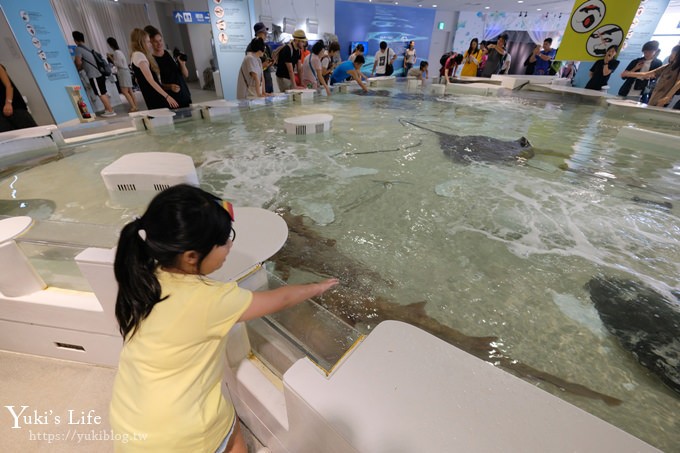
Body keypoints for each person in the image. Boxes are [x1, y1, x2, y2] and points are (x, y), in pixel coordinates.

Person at [109, 184, 338, 452]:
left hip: (130, 420)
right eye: (223, 240)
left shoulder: (145, 277)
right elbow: (282, 299)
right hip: (182, 432)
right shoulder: (211, 300)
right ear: (191, 256)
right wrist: (317, 288)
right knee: (229, 432)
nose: (230, 245)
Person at [128, 28, 179, 110]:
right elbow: (150, 80)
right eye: (148, 42)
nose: (150, 44)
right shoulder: (139, 55)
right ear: (141, 42)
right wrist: (167, 96)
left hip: (151, 94)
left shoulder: (135, 55)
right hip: (155, 95)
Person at [144, 26, 192, 108]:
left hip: (184, 95)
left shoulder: (171, 54)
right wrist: (170, 86)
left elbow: (186, 74)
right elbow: (155, 83)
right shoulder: (151, 61)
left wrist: (182, 64)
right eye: (155, 42)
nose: (159, 44)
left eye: (160, 40)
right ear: (150, 43)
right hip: (170, 100)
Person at [72, 31, 116, 117]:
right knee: (103, 92)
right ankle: (108, 109)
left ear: (75, 40)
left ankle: (110, 111)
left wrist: (77, 68)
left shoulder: (78, 49)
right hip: (100, 73)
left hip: (94, 75)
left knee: (100, 93)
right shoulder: (88, 48)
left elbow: (78, 62)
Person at [0, 64, 37, 132]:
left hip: (14, 106)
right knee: (8, 136)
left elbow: (9, 86)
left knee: (31, 131)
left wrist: (8, 103)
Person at [107, 37, 138, 112]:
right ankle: (135, 106)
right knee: (130, 90)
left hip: (122, 72)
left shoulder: (116, 53)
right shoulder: (119, 52)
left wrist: (111, 58)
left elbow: (118, 64)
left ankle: (133, 106)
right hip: (126, 71)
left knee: (124, 91)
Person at [246, 22, 274, 94]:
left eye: (266, 32)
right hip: (257, 84)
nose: (266, 34)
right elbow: (251, 68)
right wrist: (262, 65)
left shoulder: (266, 46)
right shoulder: (251, 47)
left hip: (267, 80)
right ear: (258, 33)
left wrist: (270, 63)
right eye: (264, 32)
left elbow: (268, 60)